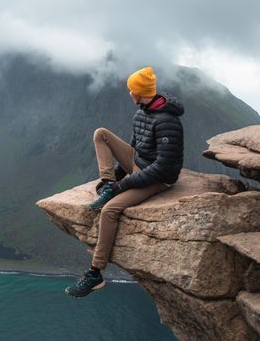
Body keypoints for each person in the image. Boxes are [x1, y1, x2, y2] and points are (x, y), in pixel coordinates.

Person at [65, 66, 185, 298]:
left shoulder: (167, 122)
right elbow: (133, 151)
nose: (129, 93)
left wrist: (124, 186)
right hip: (140, 165)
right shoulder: (141, 113)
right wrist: (116, 179)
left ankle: (95, 274)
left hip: (159, 178)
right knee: (101, 133)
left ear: (139, 92)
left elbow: (163, 167)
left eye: (131, 90)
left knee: (110, 210)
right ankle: (107, 183)